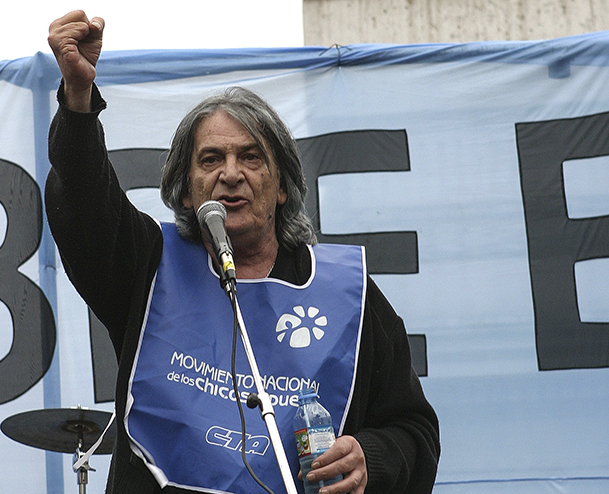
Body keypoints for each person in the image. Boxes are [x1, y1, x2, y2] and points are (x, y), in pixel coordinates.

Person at [46, 10, 440, 494]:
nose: (231, 174)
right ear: (185, 191)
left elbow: (414, 432)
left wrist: (369, 459)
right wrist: (78, 98)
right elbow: (84, 203)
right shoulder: (148, 267)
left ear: (282, 187)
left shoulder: (346, 293)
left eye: (251, 157)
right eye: (211, 159)